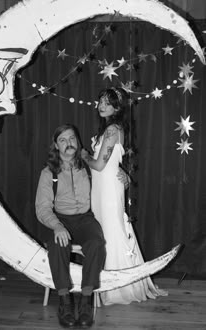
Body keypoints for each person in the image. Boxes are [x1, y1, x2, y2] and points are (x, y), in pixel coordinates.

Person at [81, 87, 167, 305]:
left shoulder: (112, 130)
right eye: (100, 101)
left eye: (107, 103)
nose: (102, 105)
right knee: (105, 233)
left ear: (117, 108)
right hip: (101, 188)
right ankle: (107, 283)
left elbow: (99, 165)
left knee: (111, 234)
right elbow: (109, 163)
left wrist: (84, 155)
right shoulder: (109, 129)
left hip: (108, 188)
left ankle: (118, 288)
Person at [35, 124, 106, 328]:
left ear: (78, 141)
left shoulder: (88, 165)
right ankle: (65, 302)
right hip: (60, 219)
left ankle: (85, 301)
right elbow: (42, 208)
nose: (69, 143)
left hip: (85, 219)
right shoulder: (48, 173)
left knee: (96, 243)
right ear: (56, 146)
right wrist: (57, 226)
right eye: (63, 140)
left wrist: (123, 177)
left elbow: (108, 174)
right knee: (57, 246)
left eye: (72, 138)